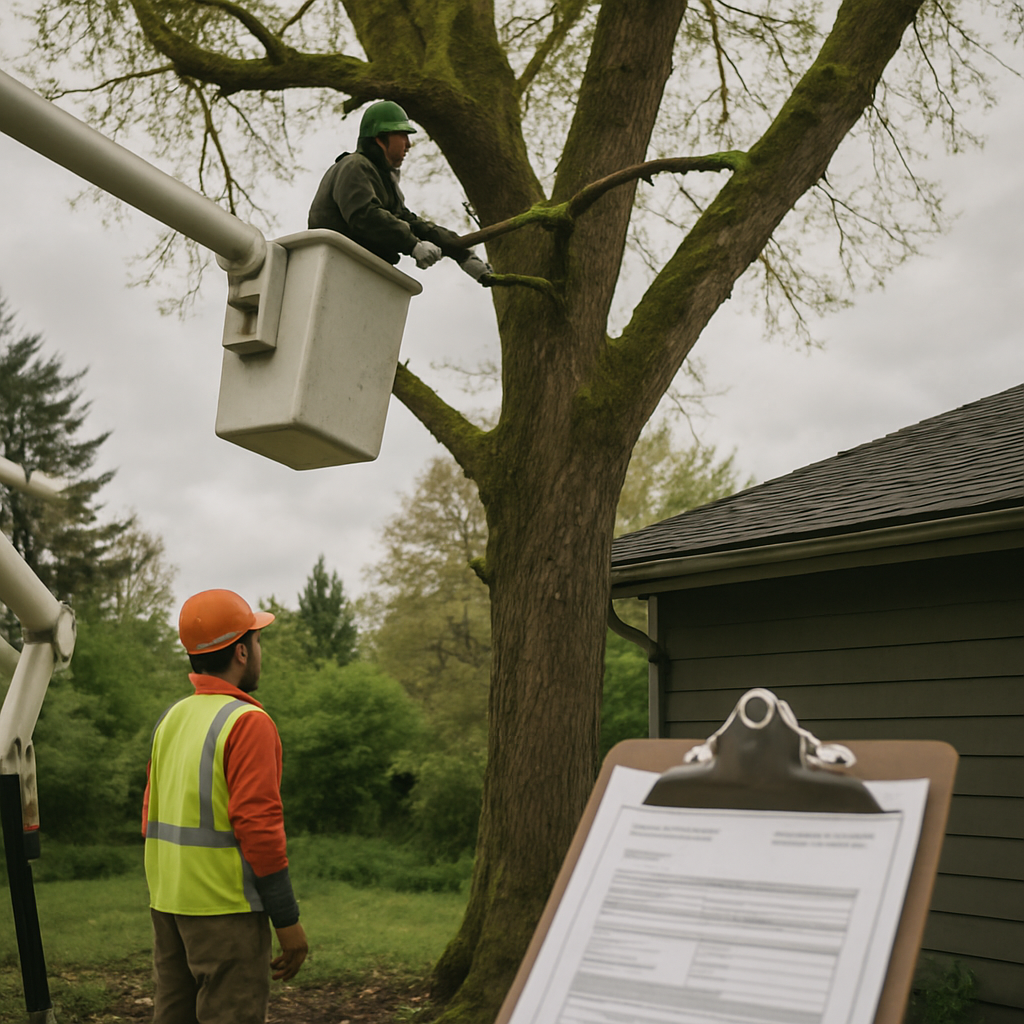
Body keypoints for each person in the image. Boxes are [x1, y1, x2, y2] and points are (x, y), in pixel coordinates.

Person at [142, 589, 308, 1024]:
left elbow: (149, 818)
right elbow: (260, 829)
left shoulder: (171, 719)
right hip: (226, 913)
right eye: (256, 641)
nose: (258, 651)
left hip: (168, 905)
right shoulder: (248, 722)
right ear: (240, 651)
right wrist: (286, 921)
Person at [308, 99, 493, 284]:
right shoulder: (354, 166)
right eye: (403, 135)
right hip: (334, 269)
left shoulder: (382, 180)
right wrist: (412, 245)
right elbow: (364, 216)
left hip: (361, 273)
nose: (408, 144)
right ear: (380, 138)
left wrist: (462, 253)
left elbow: (410, 222)